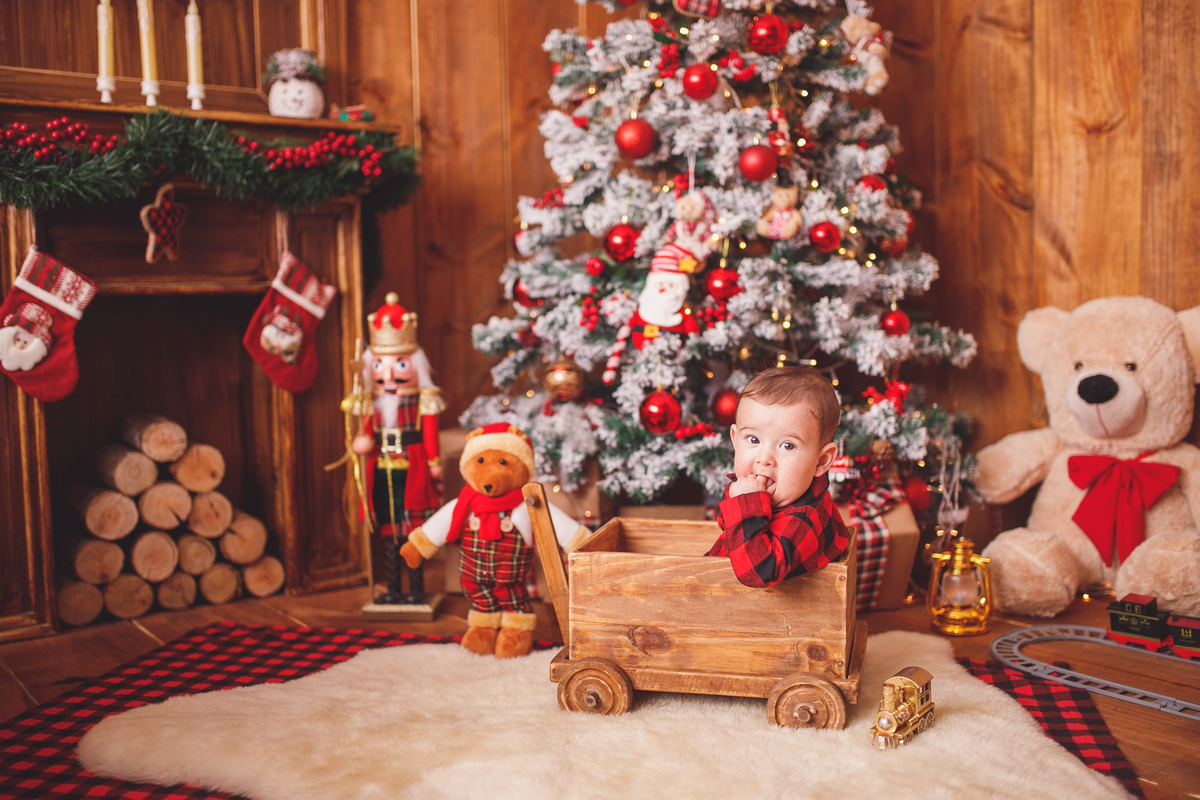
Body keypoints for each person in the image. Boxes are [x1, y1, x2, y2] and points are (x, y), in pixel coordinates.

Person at [707, 365, 851, 587]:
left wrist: (745, 503)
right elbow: (727, 526)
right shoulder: (780, 492)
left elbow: (759, 573)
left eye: (787, 445)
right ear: (735, 439)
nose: (764, 459)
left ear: (821, 461)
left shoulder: (804, 519)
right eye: (753, 440)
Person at [351, 293, 444, 605]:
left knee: (413, 530)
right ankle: (393, 588)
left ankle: (416, 589)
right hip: (382, 470)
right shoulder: (372, 403)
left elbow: (430, 433)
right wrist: (362, 441)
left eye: (400, 364)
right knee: (390, 530)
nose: (388, 375)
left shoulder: (422, 401)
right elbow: (366, 432)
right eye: (379, 366)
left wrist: (433, 461)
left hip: (413, 467)